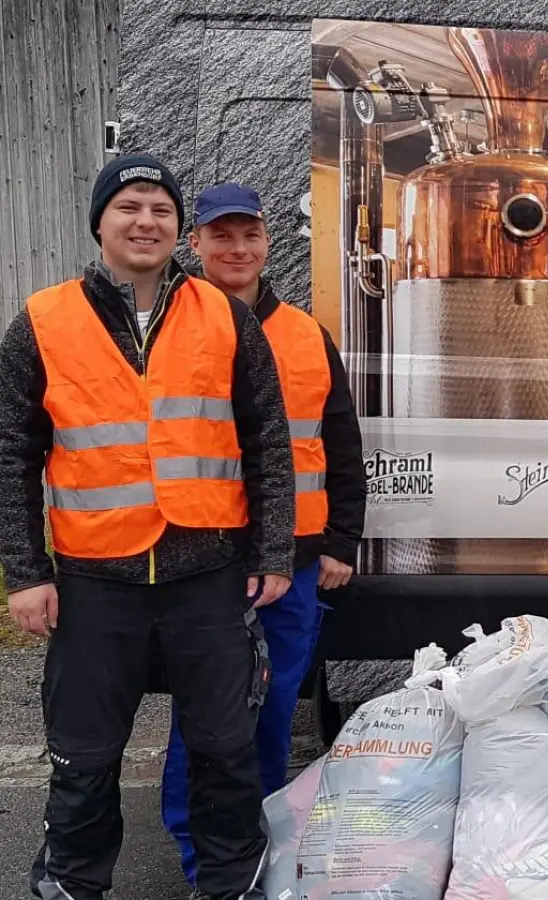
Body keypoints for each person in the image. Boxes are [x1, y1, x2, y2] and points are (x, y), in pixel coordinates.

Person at [0, 153, 296, 900]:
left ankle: (231, 883)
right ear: (100, 221)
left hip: (211, 575)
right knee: (84, 751)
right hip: (96, 580)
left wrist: (271, 550)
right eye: (129, 206)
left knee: (225, 747)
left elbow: (266, 439)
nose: (146, 221)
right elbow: (11, 455)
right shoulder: (42, 321)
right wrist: (26, 574)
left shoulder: (224, 315)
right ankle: (71, 879)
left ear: (177, 229)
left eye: (161, 209)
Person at [158, 182, 367, 886]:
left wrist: (341, 540)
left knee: (274, 708)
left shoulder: (307, 335)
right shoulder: (164, 329)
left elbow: (338, 441)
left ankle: (261, 843)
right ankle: (198, 852)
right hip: (206, 558)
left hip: (298, 562)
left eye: (249, 235)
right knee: (208, 711)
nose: (237, 248)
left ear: (268, 241)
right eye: (221, 236)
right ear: (197, 245)